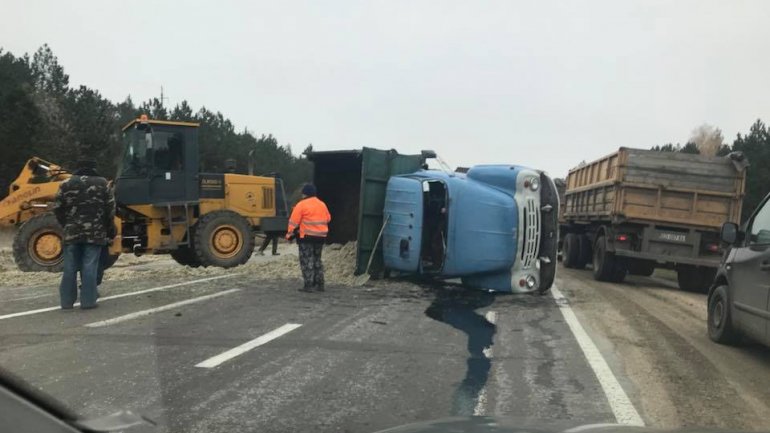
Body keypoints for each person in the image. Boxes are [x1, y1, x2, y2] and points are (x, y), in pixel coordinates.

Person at [54, 160, 116, 310]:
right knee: (89, 266)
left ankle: (66, 302)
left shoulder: (66, 183)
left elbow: (57, 208)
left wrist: (66, 224)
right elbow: (110, 209)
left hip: (71, 233)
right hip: (95, 234)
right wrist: (109, 230)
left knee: (69, 267)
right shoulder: (102, 184)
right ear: (93, 168)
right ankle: (88, 301)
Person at [286, 184, 331, 292]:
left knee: (307, 260)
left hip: (306, 237)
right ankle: (320, 284)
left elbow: (294, 222)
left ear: (304, 194)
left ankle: (309, 285)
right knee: (317, 260)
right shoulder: (322, 204)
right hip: (320, 237)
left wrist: (289, 234)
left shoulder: (301, 205)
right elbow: (328, 218)